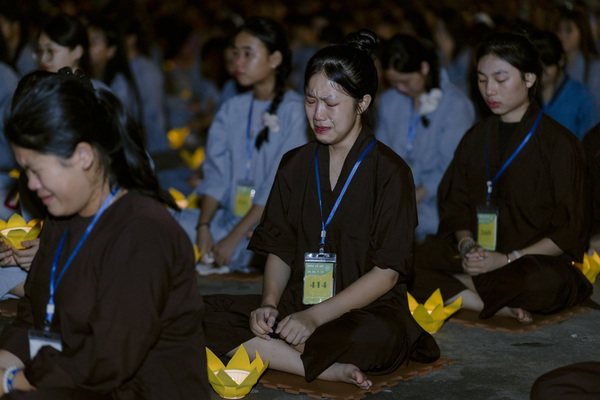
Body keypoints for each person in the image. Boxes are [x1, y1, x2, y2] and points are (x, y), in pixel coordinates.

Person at [202, 29, 440, 389]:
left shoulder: (391, 172)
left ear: (363, 103)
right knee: (193, 312)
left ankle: (274, 351)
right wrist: (269, 303)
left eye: (331, 103)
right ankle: (319, 365)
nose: (318, 114)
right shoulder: (294, 164)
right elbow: (280, 247)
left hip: (364, 311)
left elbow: (387, 274)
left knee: (375, 340)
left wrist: (314, 318)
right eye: (310, 101)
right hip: (298, 302)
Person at [0, 69, 210, 399]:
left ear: (84, 156)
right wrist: (5, 365)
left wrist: (12, 382)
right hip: (70, 375)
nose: (31, 184)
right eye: (25, 171)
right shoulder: (61, 214)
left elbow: (106, 361)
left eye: (36, 170)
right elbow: (35, 311)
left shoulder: (143, 231)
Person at [411, 32, 593, 323]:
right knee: (406, 263)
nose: (489, 90)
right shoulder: (476, 137)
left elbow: (570, 229)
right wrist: (467, 246)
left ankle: (467, 291)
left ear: (529, 79)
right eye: (482, 80)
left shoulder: (559, 144)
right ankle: (485, 299)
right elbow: (454, 202)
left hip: (530, 262)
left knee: (543, 284)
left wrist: (507, 259)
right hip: (480, 255)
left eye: (500, 79)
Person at [175, 16, 309, 274]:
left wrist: (233, 238)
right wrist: (203, 226)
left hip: (269, 228)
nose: (238, 62)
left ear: (275, 59)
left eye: (248, 54)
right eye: (235, 53)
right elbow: (216, 174)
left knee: (247, 250)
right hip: (228, 220)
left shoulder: (296, 112)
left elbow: (277, 187)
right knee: (164, 221)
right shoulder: (233, 108)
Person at [377, 34, 475, 241]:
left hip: (438, 215)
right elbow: (380, 155)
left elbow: (450, 168)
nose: (400, 88)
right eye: (393, 82)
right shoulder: (389, 101)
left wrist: (411, 198)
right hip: (396, 209)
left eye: (405, 81)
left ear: (424, 68)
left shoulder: (455, 105)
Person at [530, 30, 599, 139]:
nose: (541, 73)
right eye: (536, 67)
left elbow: (592, 142)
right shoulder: (526, 94)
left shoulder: (582, 97)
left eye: (547, 65)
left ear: (561, 60)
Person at [87, 16, 142, 125]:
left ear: (111, 50)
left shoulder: (119, 86)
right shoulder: (86, 76)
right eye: (86, 41)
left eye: (94, 42)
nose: (88, 47)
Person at [555, 6, 600, 113]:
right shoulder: (556, 64)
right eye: (559, 30)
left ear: (582, 33)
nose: (562, 36)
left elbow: (594, 107)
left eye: (569, 30)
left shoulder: (594, 67)